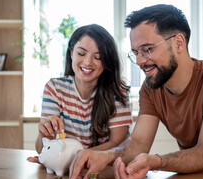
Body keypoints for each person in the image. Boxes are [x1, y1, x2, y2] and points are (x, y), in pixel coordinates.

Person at [68, 4, 203, 179]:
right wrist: (106, 155)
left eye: (147, 49)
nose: (140, 61)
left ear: (178, 43)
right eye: (136, 53)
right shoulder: (151, 87)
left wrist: (155, 162)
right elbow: (138, 142)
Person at [34, 24, 132, 156]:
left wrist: (76, 157)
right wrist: (44, 132)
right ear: (71, 54)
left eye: (98, 57)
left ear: (107, 61)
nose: (87, 62)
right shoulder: (55, 88)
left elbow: (117, 143)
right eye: (81, 53)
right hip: (70, 169)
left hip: (106, 168)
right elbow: (42, 150)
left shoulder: (117, 89)